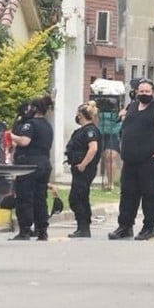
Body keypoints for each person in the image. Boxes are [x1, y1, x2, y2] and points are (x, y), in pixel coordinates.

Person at [109, 80, 154, 240]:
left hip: (149, 160)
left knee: (150, 194)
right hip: (130, 160)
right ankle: (125, 226)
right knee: (127, 194)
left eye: (147, 91)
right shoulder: (132, 106)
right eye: (141, 91)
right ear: (136, 92)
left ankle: (149, 228)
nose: (144, 94)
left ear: (153, 92)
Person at [8, 96, 54, 241]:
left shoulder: (30, 125)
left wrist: (10, 135)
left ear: (34, 109)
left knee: (25, 197)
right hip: (44, 165)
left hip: (29, 165)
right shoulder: (47, 125)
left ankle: (25, 230)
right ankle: (42, 230)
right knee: (40, 198)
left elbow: (24, 141)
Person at [64, 102, 102, 238]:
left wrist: (83, 164)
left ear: (81, 115)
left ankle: (83, 227)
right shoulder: (82, 130)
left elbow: (93, 148)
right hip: (78, 169)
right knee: (81, 197)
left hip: (84, 170)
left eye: (78, 113)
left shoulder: (90, 130)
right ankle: (83, 227)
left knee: (77, 197)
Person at [96, 97, 123, 191]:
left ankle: (111, 183)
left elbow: (121, 118)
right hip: (101, 133)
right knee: (105, 158)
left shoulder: (119, 109)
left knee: (110, 156)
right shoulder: (99, 109)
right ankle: (107, 180)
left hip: (114, 133)